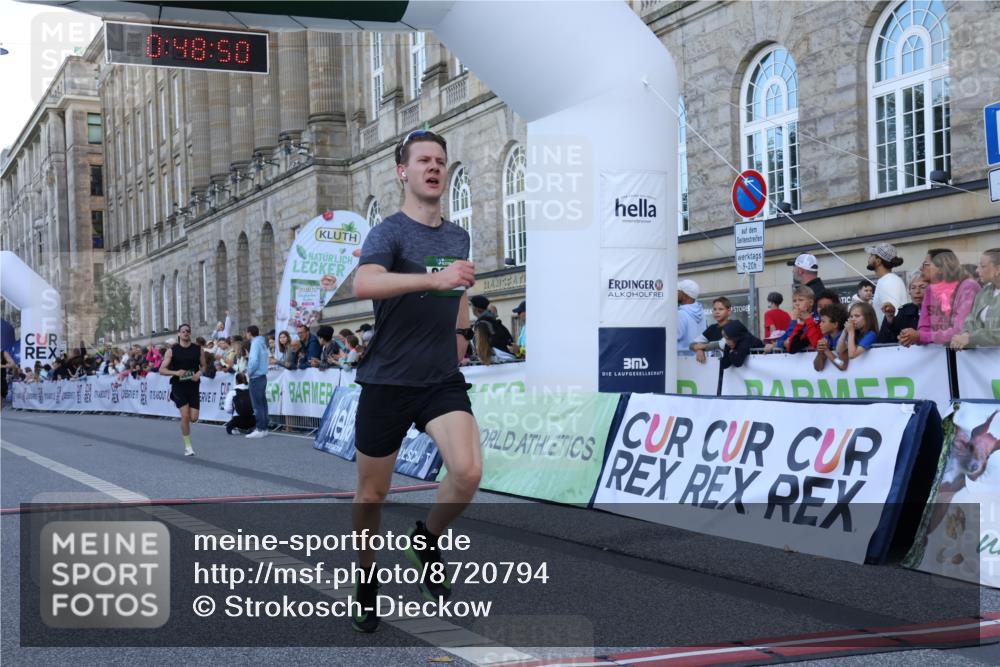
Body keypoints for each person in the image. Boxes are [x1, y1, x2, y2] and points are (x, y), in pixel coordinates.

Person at [349, 128, 479, 634]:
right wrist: (432, 279)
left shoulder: (457, 235)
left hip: (438, 378)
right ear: (403, 171)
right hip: (387, 380)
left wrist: (462, 330)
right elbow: (365, 284)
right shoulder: (390, 232)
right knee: (371, 496)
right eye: (423, 160)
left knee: (467, 473)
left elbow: (460, 283)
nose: (434, 167)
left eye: (441, 161)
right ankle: (365, 579)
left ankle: (426, 537)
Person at [899, 249, 980, 347]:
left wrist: (920, 336)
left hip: (972, 356)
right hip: (941, 357)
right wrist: (908, 336)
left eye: (926, 264)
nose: (921, 268)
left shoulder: (968, 287)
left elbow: (960, 330)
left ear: (941, 267)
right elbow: (924, 328)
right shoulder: (930, 290)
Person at [159, 323, 205, 457]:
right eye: (183, 331)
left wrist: (199, 374)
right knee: (185, 416)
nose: (186, 333)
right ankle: (188, 446)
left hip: (193, 385)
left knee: (194, 418)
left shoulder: (198, 349)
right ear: (179, 334)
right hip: (178, 385)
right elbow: (161, 370)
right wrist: (176, 372)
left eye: (188, 331)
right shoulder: (172, 350)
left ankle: (188, 441)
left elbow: (204, 366)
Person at [950, 248, 1000, 350]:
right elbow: (970, 319)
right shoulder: (984, 292)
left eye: (982, 266)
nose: (977, 270)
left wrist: (971, 337)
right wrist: (965, 335)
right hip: (982, 361)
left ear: (998, 269)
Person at [769, 285, 821, 353]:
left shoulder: (816, 319)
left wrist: (794, 321)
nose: (797, 303)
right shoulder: (797, 320)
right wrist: (780, 343)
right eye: (794, 301)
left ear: (811, 302)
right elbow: (782, 339)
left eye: (801, 300)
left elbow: (791, 341)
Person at [865, 243, 907, 326]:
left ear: (878, 261)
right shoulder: (886, 280)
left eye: (872, 255)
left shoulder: (889, 281)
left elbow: (893, 314)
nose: (869, 258)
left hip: (890, 337)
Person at [244, 325, 270, 439]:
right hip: (263, 376)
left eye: (246, 333)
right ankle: (264, 428)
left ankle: (260, 428)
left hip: (256, 376)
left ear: (249, 333)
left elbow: (254, 361)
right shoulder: (262, 342)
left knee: (257, 405)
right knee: (263, 404)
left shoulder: (255, 343)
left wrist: (248, 372)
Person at [690, 296, 732, 363]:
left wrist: (701, 347)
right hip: (714, 368)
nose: (717, 312)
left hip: (733, 368)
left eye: (721, 309)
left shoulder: (734, 325)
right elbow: (692, 344)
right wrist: (699, 350)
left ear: (729, 311)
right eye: (714, 309)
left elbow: (722, 344)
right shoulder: (712, 328)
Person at [814, 303, 848, 371]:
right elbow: (818, 368)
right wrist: (820, 352)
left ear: (835, 324)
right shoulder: (827, 338)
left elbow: (842, 365)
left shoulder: (843, 338)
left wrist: (826, 350)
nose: (820, 324)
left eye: (823, 321)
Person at [676, 279, 706, 352]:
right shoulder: (701, 312)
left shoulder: (681, 314)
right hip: (698, 358)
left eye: (678, 291)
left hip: (682, 359)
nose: (676, 293)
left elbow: (673, 338)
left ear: (685, 296)